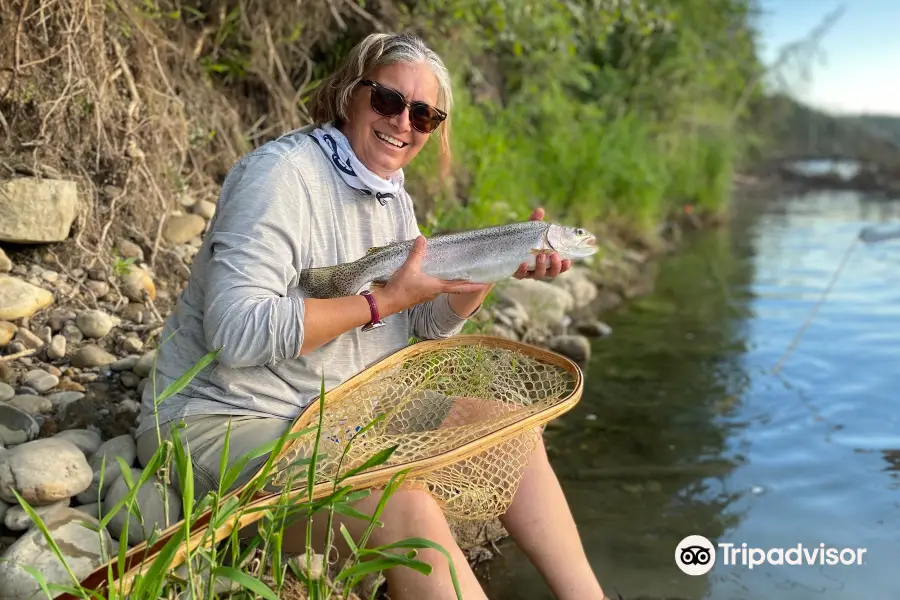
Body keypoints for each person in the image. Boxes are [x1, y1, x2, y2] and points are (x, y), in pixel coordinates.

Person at [135, 32, 606, 600]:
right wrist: (377, 303)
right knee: (403, 505)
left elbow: (422, 325)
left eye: (424, 114)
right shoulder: (280, 177)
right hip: (231, 418)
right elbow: (236, 332)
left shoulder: (391, 196)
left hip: (346, 413)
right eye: (387, 100)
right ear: (348, 95)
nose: (403, 122)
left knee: (512, 435)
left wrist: (490, 268)